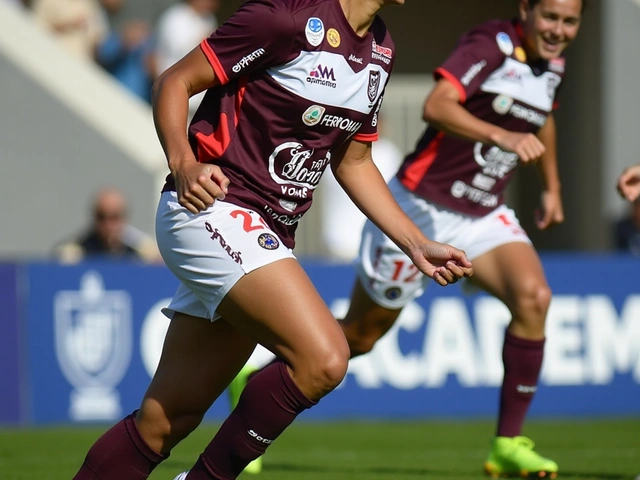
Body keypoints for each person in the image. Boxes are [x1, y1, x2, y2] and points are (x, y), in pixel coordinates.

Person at [70, 1, 473, 480]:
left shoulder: (380, 48)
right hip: (211, 208)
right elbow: (173, 81)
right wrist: (183, 163)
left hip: (267, 232)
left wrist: (414, 243)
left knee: (165, 422)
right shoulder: (285, 17)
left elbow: (354, 161)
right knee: (324, 358)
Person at [229, 0, 584, 477]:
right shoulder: (491, 46)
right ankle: (255, 387)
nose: (558, 30)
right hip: (421, 209)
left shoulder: (551, 64)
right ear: (526, 11)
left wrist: (555, 188)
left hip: (484, 214)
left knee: (534, 297)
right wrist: (500, 135)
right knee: (359, 337)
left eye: (570, 21)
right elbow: (436, 105)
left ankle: (507, 444)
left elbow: (545, 116)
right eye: (550, 18)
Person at [54, 187, 161, 263]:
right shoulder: (78, 251)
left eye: (115, 217)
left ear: (125, 218)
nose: (108, 224)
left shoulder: (141, 249)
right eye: (102, 217)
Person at [153, 0, 220, 117]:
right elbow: (177, 49)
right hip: (171, 90)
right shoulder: (176, 16)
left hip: (196, 102)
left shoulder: (209, 20)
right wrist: (203, 41)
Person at [31, 0, 107, 60]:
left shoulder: (91, 6)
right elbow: (40, 26)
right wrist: (71, 24)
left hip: (78, 61)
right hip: (49, 52)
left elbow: (97, 37)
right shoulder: (49, 2)